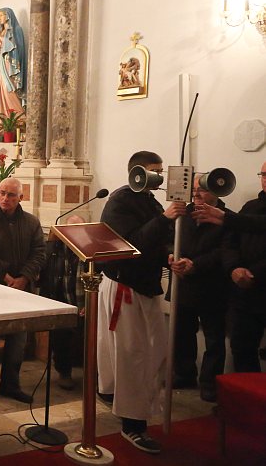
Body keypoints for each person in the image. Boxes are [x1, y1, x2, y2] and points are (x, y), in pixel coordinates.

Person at [97, 151, 186, 454]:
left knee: (153, 352)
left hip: (146, 286)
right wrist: (164, 219)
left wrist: (168, 257)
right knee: (133, 356)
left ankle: (121, 398)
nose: (159, 177)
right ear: (137, 172)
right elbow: (129, 243)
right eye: (153, 171)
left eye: (161, 171)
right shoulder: (120, 201)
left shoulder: (150, 201)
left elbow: (154, 244)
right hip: (126, 284)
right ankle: (133, 424)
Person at [0, 177, 45, 407]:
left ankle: (11, 385)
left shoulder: (32, 223)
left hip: (22, 291)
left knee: (18, 341)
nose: (5, 198)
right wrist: (7, 277)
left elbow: (39, 252)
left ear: (21, 197)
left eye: (11, 195)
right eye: (2, 193)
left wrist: (24, 278)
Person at [165, 176, 228, 402]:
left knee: (213, 337)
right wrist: (170, 257)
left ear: (215, 191)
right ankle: (184, 373)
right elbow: (168, 239)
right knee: (182, 333)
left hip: (212, 286)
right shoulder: (183, 212)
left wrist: (196, 265)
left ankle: (210, 382)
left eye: (201, 190)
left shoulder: (226, 217)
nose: (196, 194)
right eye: (193, 189)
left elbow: (225, 250)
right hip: (183, 283)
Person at [219, 160, 266, 374]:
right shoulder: (251, 207)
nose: (265, 180)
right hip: (245, 293)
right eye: (263, 174)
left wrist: (254, 273)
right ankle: (248, 403)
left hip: (258, 283)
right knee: (242, 347)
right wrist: (234, 268)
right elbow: (230, 241)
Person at [40, 214, 86, 390]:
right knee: (61, 340)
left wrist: (88, 303)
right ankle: (64, 373)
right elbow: (42, 269)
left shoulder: (90, 248)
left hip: (84, 303)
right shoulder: (55, 250)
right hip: (61, 301)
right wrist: (51, 243)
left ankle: (93, 374)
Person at [0, 7, 26, 116]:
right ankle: (3, 116)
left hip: (10, 65)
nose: (0, 17)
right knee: (0, 88)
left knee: (9, 87)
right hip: (1, 63)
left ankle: (17, 115)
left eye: (2, 15)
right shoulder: (3, 31)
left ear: (9, 15)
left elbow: (13, 47)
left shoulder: (17, 30)